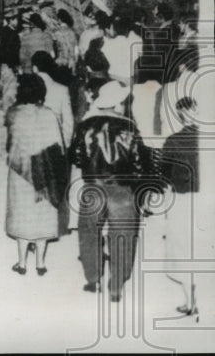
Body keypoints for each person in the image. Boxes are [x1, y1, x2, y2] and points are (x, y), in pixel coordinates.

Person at [71, 80, 155, 302]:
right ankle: (116, 285)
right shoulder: (129, 128)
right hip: (122, 191)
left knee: (89, 234)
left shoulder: (84, 126)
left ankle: (93, 279)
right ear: (118, 102)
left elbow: (76, 157)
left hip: (93, 188)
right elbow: (139, 165)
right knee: (123, 237)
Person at [4, 74, 67, 276]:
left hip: (20, 172)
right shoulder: (50, 114)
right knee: (43, 215)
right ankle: (40, 263)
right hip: (45, 171)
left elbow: (10, 144)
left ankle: (21, 263)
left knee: (22, 214)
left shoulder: (13, 114)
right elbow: (59, 146)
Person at [158, 96, 200, 318]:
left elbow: (164, 176)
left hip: (183, 203)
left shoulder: (173, 141)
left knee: (184, 251)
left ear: (181, 114)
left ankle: (191, 301)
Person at [52, 9, 79, 76]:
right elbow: (76, 49)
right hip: (72, 61)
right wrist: (75, 60)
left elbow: (56, 48)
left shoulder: (56, 32)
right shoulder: (73, 32)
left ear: (59, 19)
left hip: (61, 61)